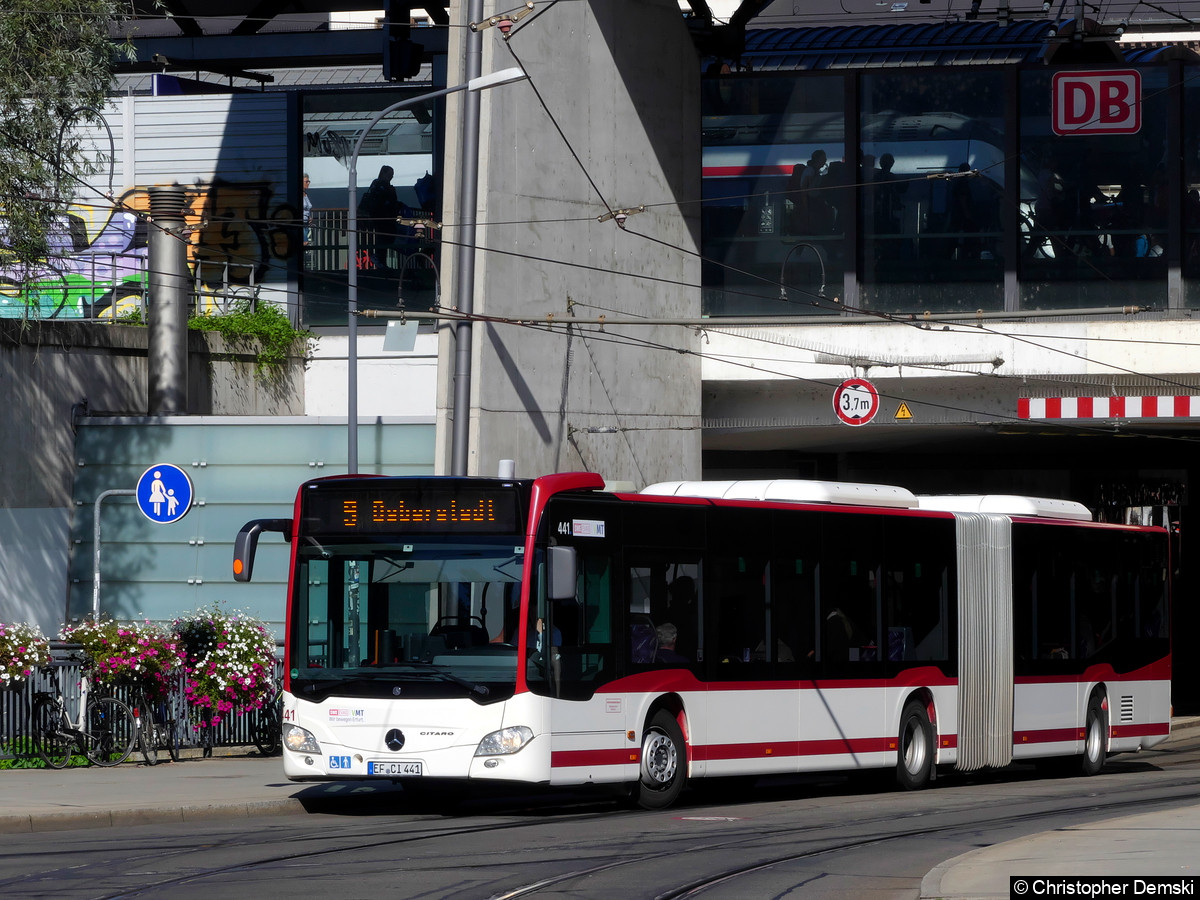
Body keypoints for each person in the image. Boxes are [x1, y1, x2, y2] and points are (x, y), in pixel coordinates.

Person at [358, 165, 401, 271]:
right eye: (390, 174)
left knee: (384, 237)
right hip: (382, 216)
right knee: (385, 236)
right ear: (384, 173)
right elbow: (383, 199)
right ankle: (379, 258)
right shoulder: (381, 184)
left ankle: (381, 259)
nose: (392, 176)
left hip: (381, 216)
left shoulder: (377, 184)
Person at [302, 173, 313, 247]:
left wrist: (309, 216)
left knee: (306, 243)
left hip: (306, 222)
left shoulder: (305, 194)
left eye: (309, 181)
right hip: (301, 222)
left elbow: (308, 207)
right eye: (306, 182)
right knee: (304, 243)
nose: (308, 183)